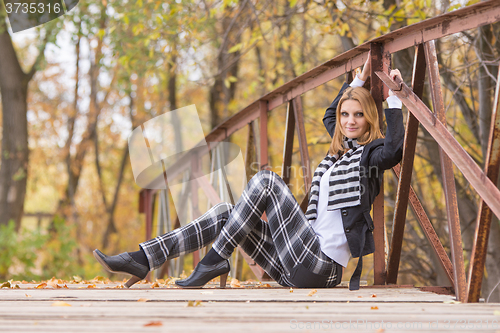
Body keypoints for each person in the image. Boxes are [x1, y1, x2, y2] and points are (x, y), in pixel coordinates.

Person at [93, 55, 404, 291]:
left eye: (359, 115)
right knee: (227, 212)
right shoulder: (340, 153)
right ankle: (145, 258)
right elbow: (329, 115)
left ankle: (214, 259)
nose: (350, 121)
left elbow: (393, 150)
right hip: (290, 266)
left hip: (320, 267)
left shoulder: (369, 156)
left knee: (266, 181)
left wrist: (393, 96)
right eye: (346, 115)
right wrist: (357, 81)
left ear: (369, 119)